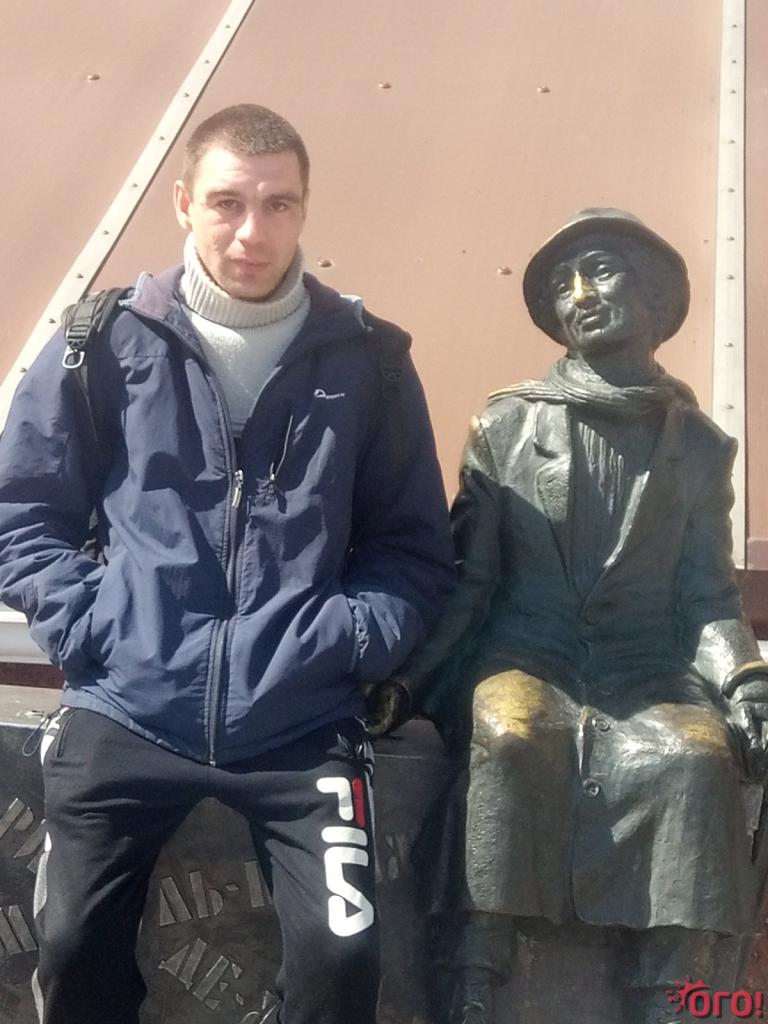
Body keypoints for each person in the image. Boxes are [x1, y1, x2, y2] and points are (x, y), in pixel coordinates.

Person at [0, 103, 454, 1024]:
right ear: (183, 203)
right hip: (127, 705)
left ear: (305, 208)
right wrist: (94, 626)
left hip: (302, 718)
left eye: (278, 204)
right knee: (73, 948)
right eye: (227, 203)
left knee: (343, 958)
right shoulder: (103, 340)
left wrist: (345, 641)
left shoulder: (369, 360)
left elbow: (411, 546)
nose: (253, 232)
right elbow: (25, 514)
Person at [389, 209, 768, 1024]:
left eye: (600, 271)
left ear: (655, 293)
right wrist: (410, 681)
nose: (580, 296)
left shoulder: (701, 448)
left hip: (647, 669)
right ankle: (469, 979)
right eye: (563, 285)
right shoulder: (507, 424)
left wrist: (744, 680)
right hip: (529, 652)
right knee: (511, 733)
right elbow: (470, 579)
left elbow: (705, 593)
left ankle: (673, 996)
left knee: (696, 757)